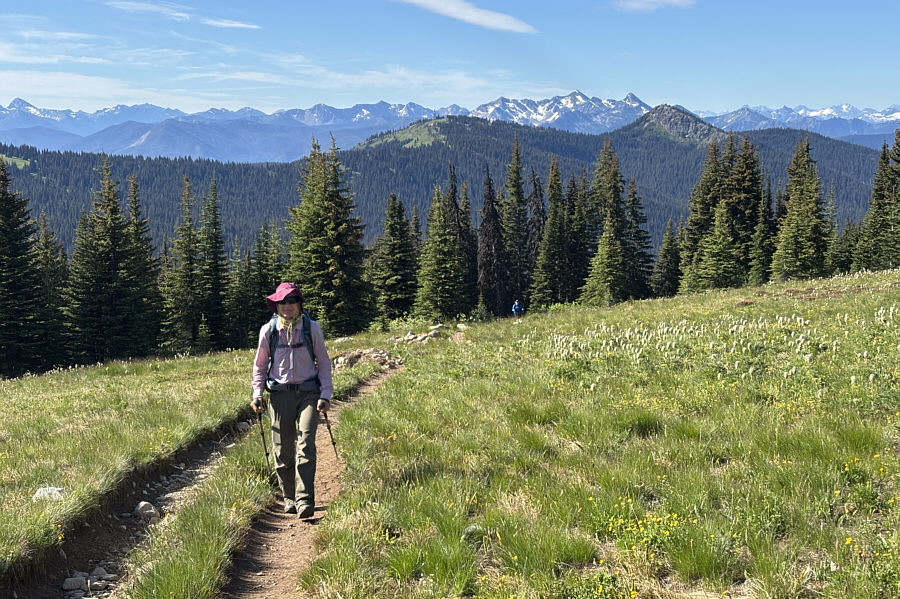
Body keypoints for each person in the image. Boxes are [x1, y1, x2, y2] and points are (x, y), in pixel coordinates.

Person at [251, 282, 333, 519]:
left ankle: (305, 499)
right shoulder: (268, 331)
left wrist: (325, 394)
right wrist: (257, 394)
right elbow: (260, 366)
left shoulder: (312, 328)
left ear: (299, 304)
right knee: (282, 447)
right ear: (276, 305)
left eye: (292, 301)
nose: (287, 305)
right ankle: (289, 497)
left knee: (306, 443)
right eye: (282, 301)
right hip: (279, 395)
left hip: (309, 393)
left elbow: (323, 362)